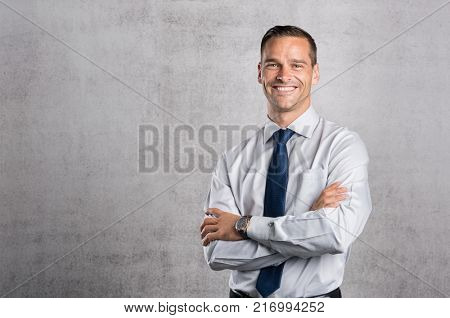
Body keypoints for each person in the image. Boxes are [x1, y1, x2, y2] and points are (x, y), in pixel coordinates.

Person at [200, 25, 372, 298]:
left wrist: (245, 226)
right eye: (273, 65)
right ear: (260, 73)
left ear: (315, 73)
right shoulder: (232, 160)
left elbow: (335, 235)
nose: (284, 75)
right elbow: (217, 253)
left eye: (297, 65)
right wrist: (306, 226)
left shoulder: (343, 146)